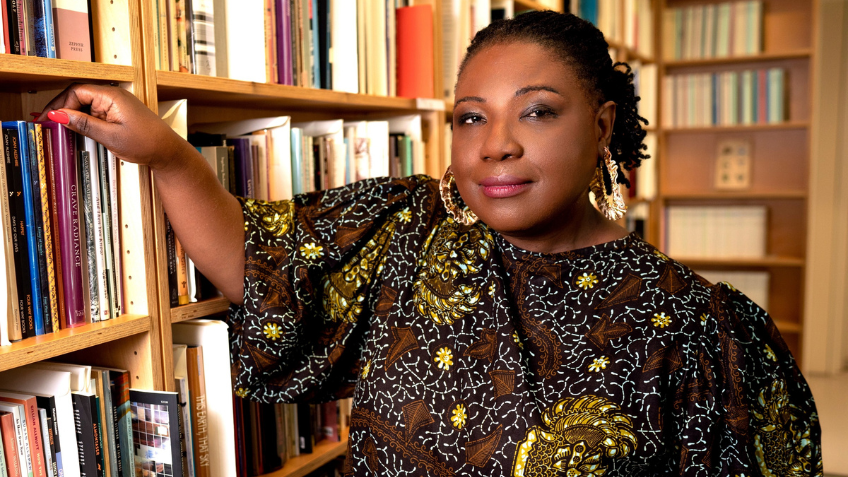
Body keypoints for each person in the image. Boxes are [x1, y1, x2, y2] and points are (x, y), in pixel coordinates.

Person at [40, 10, 822, 477]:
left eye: (538, 112)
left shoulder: (698, 326)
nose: (496, 145)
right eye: (472, 117)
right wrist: (168, 156)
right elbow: (261, 261)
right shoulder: (408, 233)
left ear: (604, 125)